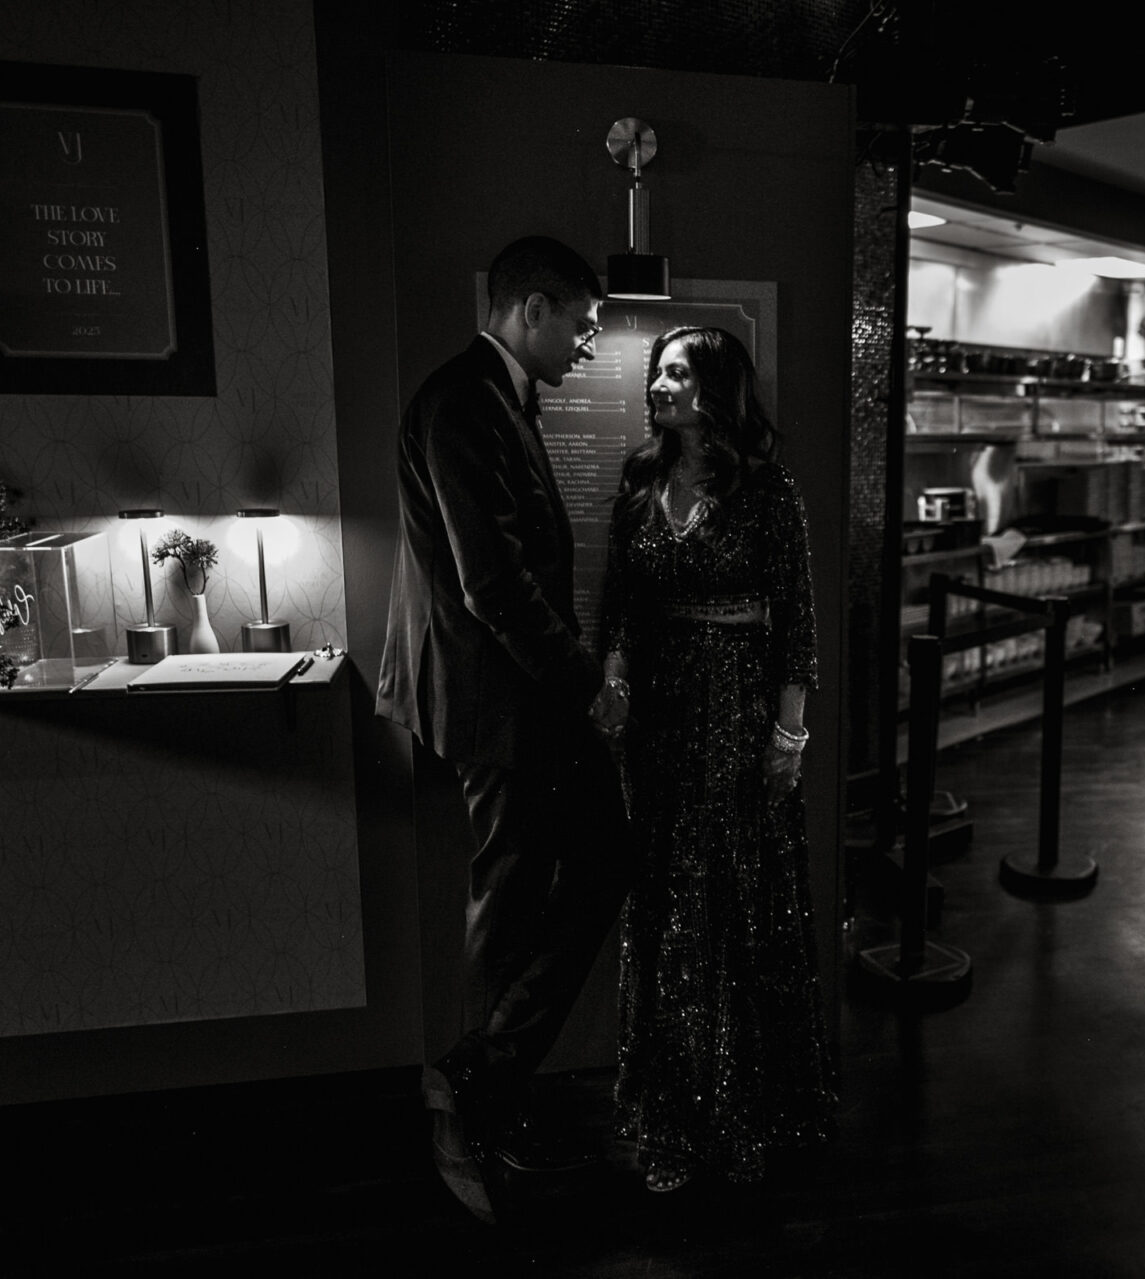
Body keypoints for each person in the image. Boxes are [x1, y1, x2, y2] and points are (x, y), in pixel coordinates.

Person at [375, 235, 633, 1225]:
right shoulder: (461, 402)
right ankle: (480, 1105)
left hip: (515, 697)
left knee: (567, 873)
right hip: (501, 702)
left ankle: (481, 1081)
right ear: (531, 307)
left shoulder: (493, 400)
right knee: (513, 898)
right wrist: (587, 688)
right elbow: (493, 585)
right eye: (581, 320)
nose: (587, 341)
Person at [601, 326, 835, 1193]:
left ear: (714, 389)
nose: (655, 384)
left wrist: (789, 732)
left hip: (738, 717)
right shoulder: (639, 477)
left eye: (673, 371)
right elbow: (620, 599)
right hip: (659, 722)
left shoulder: (768, 490)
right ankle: (671, 1117)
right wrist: (617, 671)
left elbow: (798, 622)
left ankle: (748, 1114)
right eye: (657, 370)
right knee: (666, 908)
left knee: (736, 907)